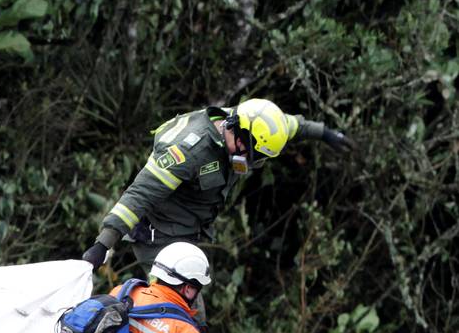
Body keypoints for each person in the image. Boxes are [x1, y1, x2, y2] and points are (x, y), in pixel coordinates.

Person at [82, 98, 355, 273]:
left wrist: (325, 133)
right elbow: (140, 194)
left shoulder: (250, 122)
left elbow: (291, 125)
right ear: (236, 129)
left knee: (187, 317)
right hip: (158, 237)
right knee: (180, 316)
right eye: (250, 152)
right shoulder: (190, 150)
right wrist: (102, 245)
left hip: (190, 234)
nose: (251, 160)